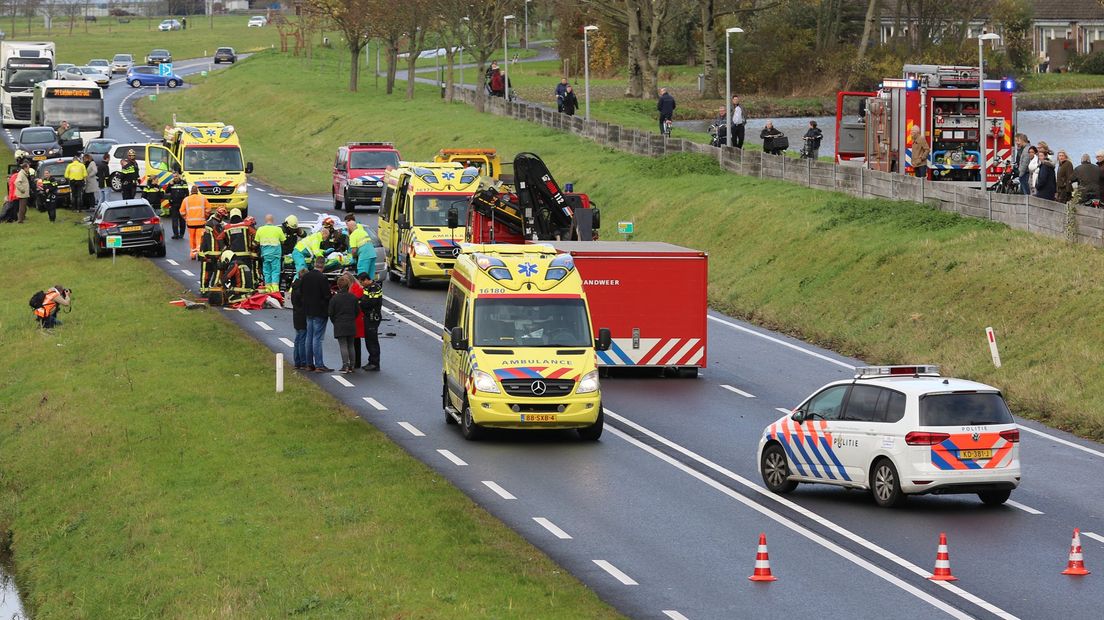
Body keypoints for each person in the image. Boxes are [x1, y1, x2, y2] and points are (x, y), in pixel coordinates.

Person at [300, 256, 333, 372]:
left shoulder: (306, 277)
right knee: (317, 338)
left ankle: (309, 364)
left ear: (314, 264)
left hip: (308, 310)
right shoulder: (322, 278)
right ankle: (319, 364)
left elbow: (301, 292)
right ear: (323, 265)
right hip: (320, 311)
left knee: (309, 337)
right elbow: (326, 295)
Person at [329, 274, 360, 374]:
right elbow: (357, 311)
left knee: (343, 345)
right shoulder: (353, 298)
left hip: (339, 324)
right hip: (351, 323)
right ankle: (352, 365)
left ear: (338, 285)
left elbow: (331, 313)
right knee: (351, 345)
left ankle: (345, 365)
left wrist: (335, 321)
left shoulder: (335, 298)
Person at [357, 272, 383, 371]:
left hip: (373, 317)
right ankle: (371, 361)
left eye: (361, 282)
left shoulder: (374, 288)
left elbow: (370, 302)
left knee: (372, 341)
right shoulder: (368, 288)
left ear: (366, 280)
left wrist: (360, 303)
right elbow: (363, 299)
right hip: (368, 316)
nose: (361, 284)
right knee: (369, 340)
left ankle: (375, 363)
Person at [255, 214, 287, 293]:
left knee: (266, 272)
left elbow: (257, 242)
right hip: (275, 255)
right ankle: (275, 290)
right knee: (275, 272)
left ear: (265, 221)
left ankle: (267, 289)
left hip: (265, 255)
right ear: (273, 221)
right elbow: (283, 241)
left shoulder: (260, 229)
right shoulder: (278, 229)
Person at [180, 185, 211, 258]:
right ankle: (200, 254)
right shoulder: (203, 199)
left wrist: (186, 218)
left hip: (190, 223)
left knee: (192, 238)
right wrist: (205, 216)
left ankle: (193, 254)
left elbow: (182, 211)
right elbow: (208, 209)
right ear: (197, 191)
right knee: (200, 238)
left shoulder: (186, 200)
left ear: (191, 192)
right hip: (201, 222)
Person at [346, 215, 376, 279]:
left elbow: (354, 250)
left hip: (365, 256)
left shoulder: (353, 235)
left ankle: (363, 288)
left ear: (349, 228)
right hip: (372, 254)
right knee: (370, 276)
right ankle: (370, 287)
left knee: (362, 276)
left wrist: (353, 257)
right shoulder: (363, 231)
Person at [289, 268, 309, 369]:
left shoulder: (294, 286)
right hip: (302, 315)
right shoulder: (302, 288)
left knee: (298, 338)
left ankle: (297, 361)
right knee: (302, 339)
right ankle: (303, 361)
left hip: (296, 314)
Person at [166, 171, 188, 239]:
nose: (175, 178)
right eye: (174, 176)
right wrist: (170, 185)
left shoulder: (183, 183)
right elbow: (167, 191)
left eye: (176, 176)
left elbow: (187, 193)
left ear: (179, 176)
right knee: (174, 220)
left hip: (182, 204)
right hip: (174, 204)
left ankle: (181, 234)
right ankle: (175, 234)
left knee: (182, 220)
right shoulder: (171, 183)